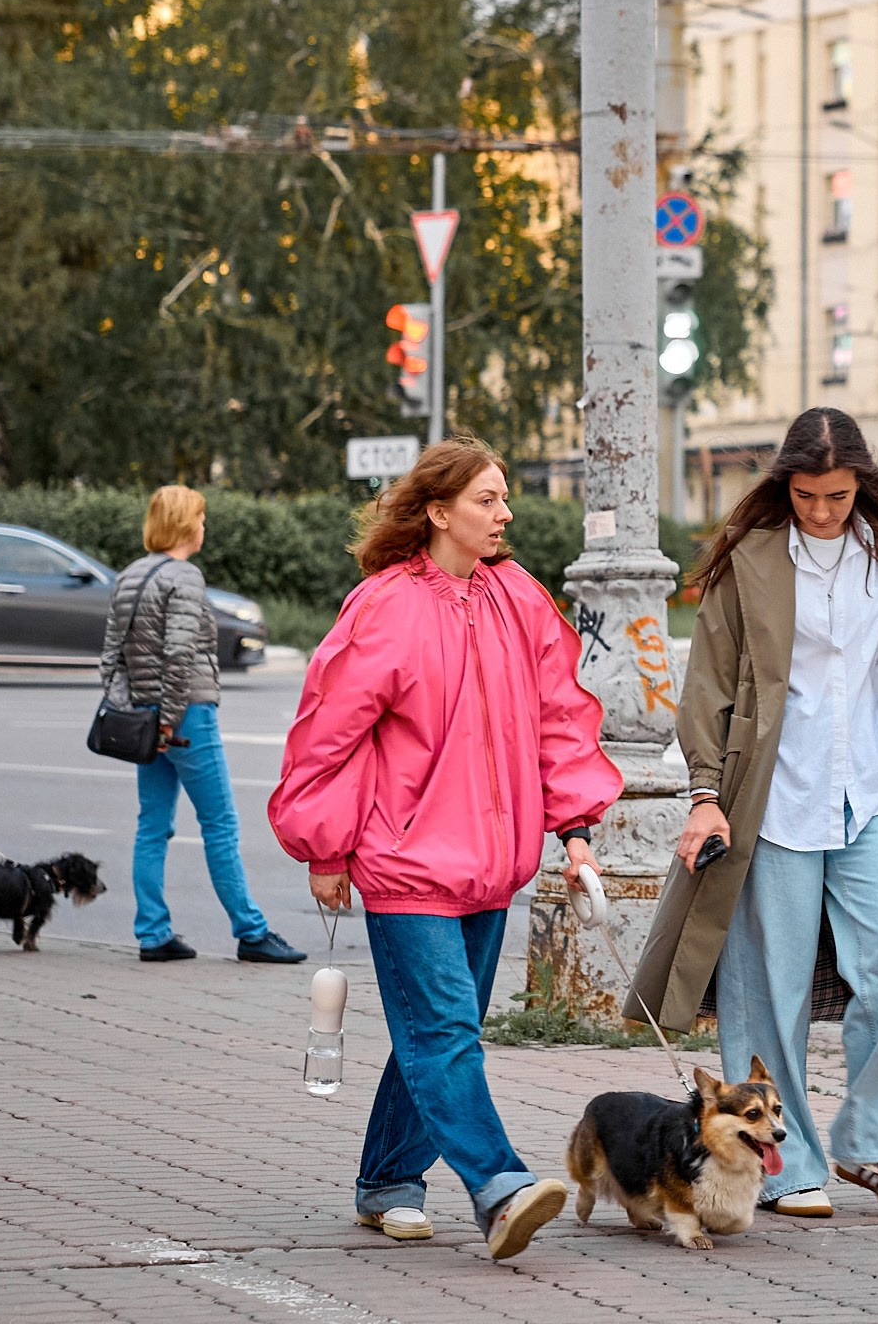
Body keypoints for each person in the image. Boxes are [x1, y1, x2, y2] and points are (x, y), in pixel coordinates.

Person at [630, 407, 878, 1219]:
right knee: (770, 991)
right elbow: (708, 686)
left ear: (861, 484)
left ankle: (870, 1144)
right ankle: (786, 1166)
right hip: (776, 797)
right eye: (806, 496)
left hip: (876, 792)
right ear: (785, 486)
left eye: (837, 495)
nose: (823, 512)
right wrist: (704, 796)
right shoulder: (750, 559)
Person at [269, 437, 621, 1262]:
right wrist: (325, 848)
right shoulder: (384, 605)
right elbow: (328, 732)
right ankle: (499, 1188)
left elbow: (561, 722)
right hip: (405, 863)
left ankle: (388, 1180)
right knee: (446, 1031)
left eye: (503, 499)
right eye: (486, 500)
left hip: (493, 868)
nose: (504, 515)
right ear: (437, 511)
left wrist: (576, 834)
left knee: (435, 1036)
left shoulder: (520, 598)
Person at [102, 485, 303, 966]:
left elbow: (111, 658)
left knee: (152, 826)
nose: (204, 526)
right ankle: (251, 932)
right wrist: (170, 722)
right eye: (201, 517)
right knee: (220, 824)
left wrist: (137, 712)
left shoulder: (129, 576)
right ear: (185, 524)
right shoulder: (185, 577)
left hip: (145, 717)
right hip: (187, 716)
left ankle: (153, 934)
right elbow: (179, 656)